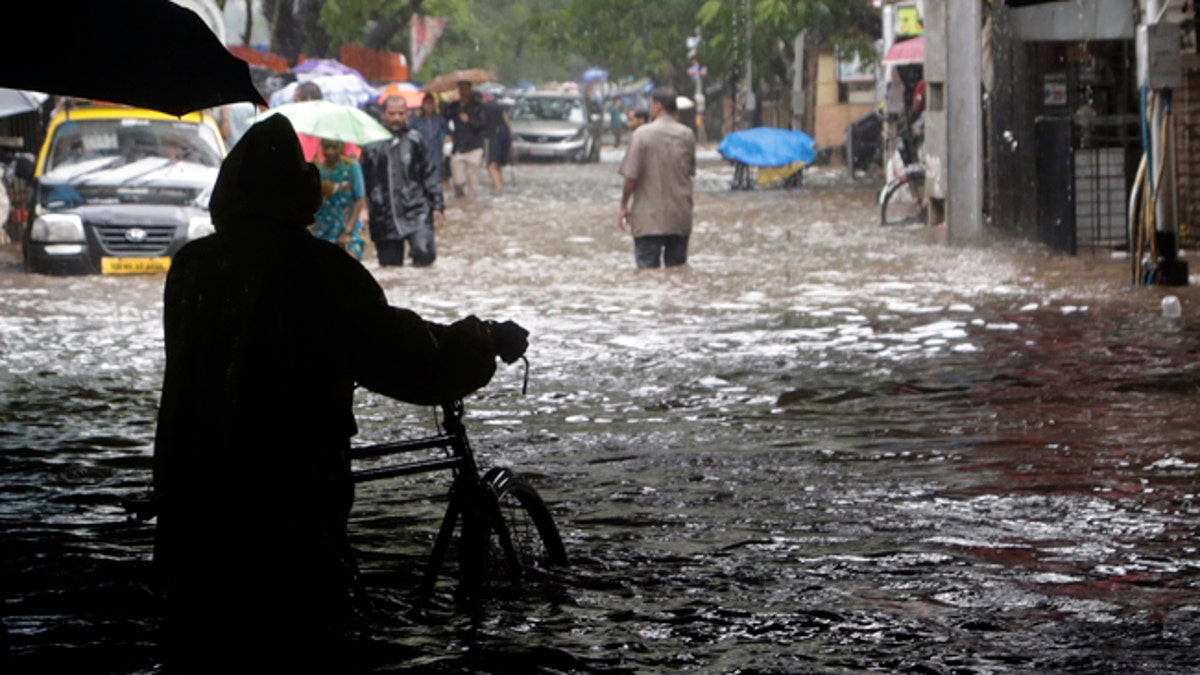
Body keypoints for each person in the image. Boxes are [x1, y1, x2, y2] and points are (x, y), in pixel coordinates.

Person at [151, 114, 529, 671]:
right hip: (290, 500)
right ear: (299, 193)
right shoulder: (319, 271)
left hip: (188, 497)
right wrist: (479, 341)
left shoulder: (192, 267)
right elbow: (405, 355)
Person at [360, 96, 444, 267]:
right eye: (392, 114)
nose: (396, 118)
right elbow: (362, 180)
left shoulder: (415, 140)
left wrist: (437, 205)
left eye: (401, 113)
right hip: (383, 212)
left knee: (425, 256)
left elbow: (429, 174)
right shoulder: (371, 144)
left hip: (416, 208)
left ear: (407, 115)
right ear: (383, 115)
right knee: (390, 267)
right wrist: (362, 209)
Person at [617, 87, 696, 269]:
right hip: (679, 216)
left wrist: (623, 206)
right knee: (676, 272)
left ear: (658, 106)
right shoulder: (687, 135)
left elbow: (631, 176)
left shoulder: (641, 135)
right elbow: (690, 171)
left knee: (647, 274)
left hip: (648, 219)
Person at [313, 138, 366, 260]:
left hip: (348, 227)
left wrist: (347, 231)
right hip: (322, 229)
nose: (330, 152)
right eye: (327, 147)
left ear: (341, 147)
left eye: (334, 147)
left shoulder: (352, 166)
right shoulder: (317, 169)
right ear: (321, 147)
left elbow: (359, 199)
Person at [442, 80, 488, 199]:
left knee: (473, 184)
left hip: (475, 147)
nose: (463, 91)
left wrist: (469, 121)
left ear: (470, 89)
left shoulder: (478, 106)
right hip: (459, 147)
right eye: (461, 89)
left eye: (466, 88)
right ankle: (460, 197)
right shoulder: (454, 106)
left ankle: (471, 205)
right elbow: (443, 118)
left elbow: (483, 124)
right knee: (458, 181)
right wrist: (448, 134)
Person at [409, 92, 450, 189]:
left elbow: (448, 132)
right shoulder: (418, 120)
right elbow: (410, 132)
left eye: (431, 103)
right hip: (422, 153)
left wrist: (445, 137)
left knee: (439, 177)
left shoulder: (439, 119)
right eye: (426, 103)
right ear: (423, 105)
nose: (429, 106)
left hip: (437, 152)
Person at [485, 99, 512, 194]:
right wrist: (511, 143)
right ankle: (500, 186)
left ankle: (498, 188)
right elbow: (507, 122)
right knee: (498, 165)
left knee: (491, 165)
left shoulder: (483, 108)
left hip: (494, 137)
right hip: (505, 136)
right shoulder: (498, 108)